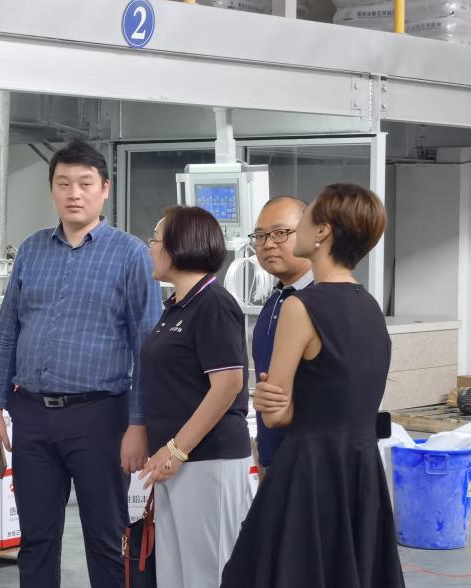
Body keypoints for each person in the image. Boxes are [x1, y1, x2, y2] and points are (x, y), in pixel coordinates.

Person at [0, 139, 161, 588]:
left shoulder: (130, 254)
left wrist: (139, 424)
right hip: (31, 415)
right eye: (63, 183)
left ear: (105, 189)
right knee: (36, 539)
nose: (74, 193)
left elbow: (147, 347)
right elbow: (6, 333)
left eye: (85, 183)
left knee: (106, 538)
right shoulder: (31, 250)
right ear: (52, 190)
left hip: (100, 417)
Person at [221, 183, 404, 588]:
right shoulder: (370, 306)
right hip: (360, 471)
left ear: (322, 232)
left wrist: (269, 400)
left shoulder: (300, 307)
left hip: (308, 470)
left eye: (304, 219)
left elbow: (277, 414)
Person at [136, 207, 253, 588]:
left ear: (179, 245)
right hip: (173, 460)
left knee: (209, 573)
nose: (150, 248)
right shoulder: (176, 307)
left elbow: (228, 384)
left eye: (155, 239)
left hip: (207, 458)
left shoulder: (214, 304)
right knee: (174, 575)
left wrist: (177, 449)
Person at [250, 196, 314, 479]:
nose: (268, 244)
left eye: (280, 233)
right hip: (273, 459)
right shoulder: (276, 298)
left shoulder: (321, 301)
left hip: (310, 463)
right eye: (260, 236)